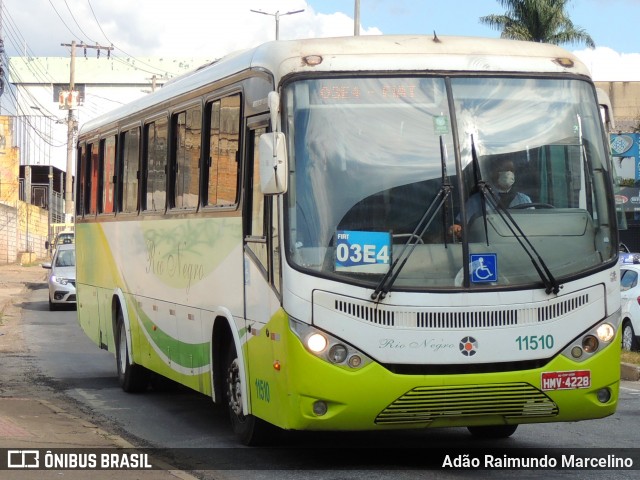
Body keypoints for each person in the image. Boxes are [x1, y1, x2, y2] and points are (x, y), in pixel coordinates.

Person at [450, 157, 531, 239]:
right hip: (488, 245)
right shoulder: (478, 200)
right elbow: (459, 226)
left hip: (521, 244)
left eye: (511, 170)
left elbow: (534, 224)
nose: (508, 173)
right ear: (493, 172)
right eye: (504, 169)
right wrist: (456, 229)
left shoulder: (524, 200)